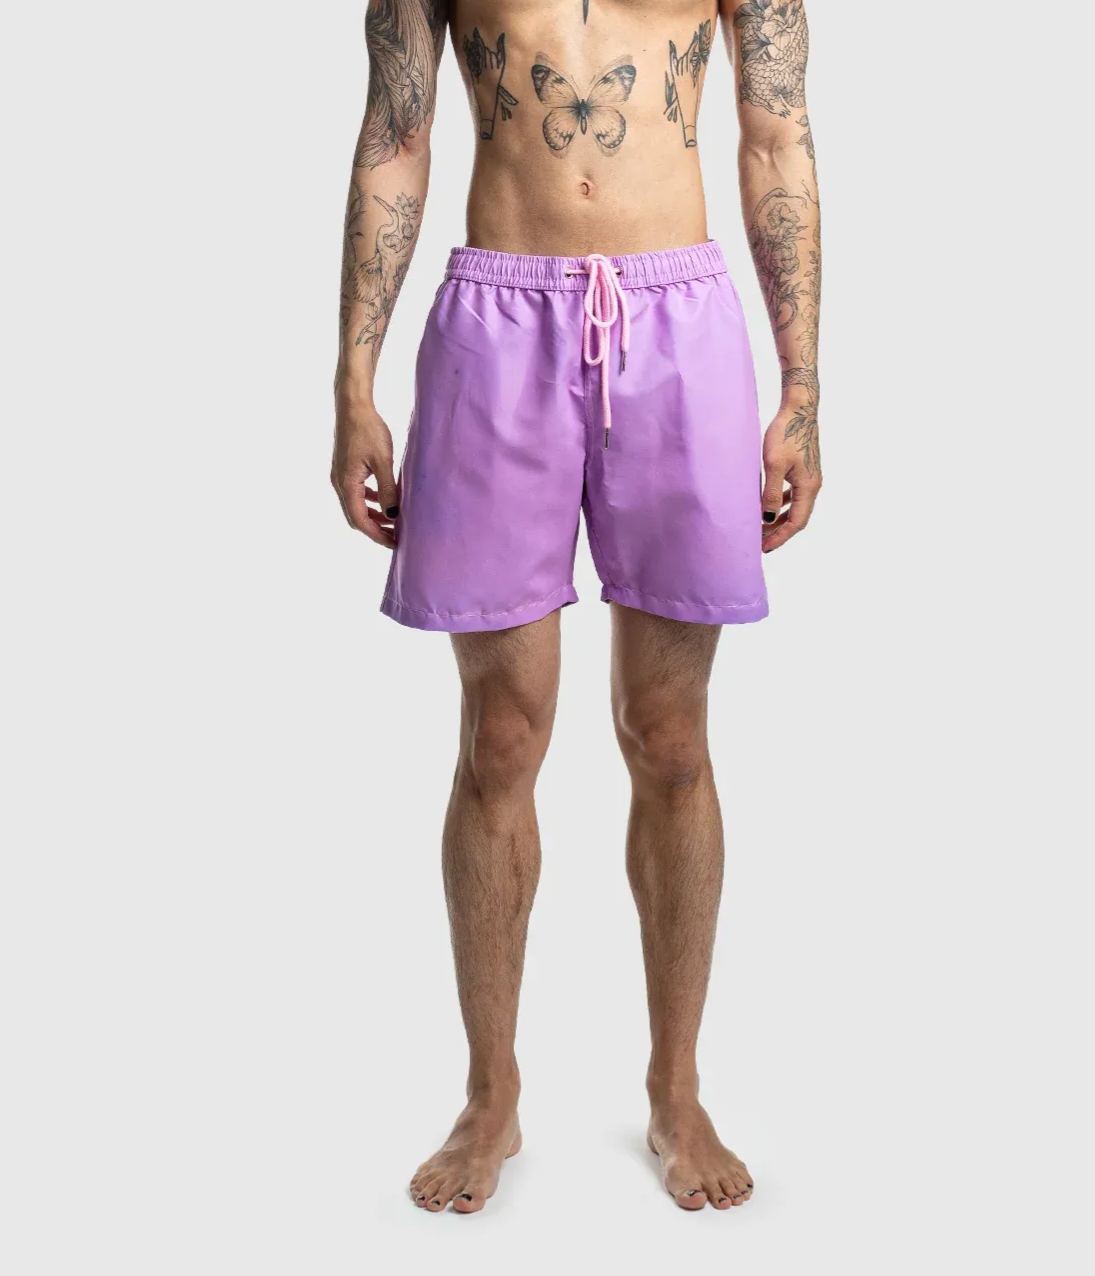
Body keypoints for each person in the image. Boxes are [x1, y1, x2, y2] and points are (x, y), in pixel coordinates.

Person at [332, 0, 821, 1214]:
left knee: (671, 736)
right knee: (500, 737)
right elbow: (396, 132)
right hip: (498, 322)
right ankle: (489, 1091)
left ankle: (676, 1087)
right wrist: (352, 379)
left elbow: (775, 132)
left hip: (679, 320)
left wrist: (802, 387)